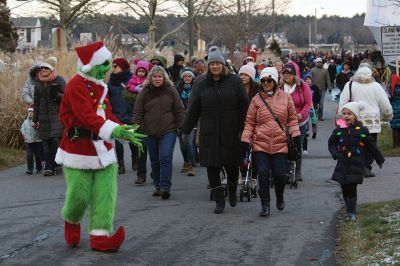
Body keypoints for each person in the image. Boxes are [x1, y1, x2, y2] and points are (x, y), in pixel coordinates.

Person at [55, 42, 145, 252]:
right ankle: (72, 219)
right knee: (79, 195)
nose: (107, 69)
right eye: (104, 65)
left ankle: (100, 236)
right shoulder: (76, 85)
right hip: (79, 149)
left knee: (106, 194)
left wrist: (125, 130)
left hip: (103, 149)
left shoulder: (101, 87)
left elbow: (108, 114)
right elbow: (85, 116)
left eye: (109, 64)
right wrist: (113, 131)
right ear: (91, 65)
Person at [182, 46, 249, 214]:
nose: (215, 67)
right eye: (212, 64)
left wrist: (244, 128)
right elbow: (194, 109)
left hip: (232, 131)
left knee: (232, 166)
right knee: (212, 167)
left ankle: (232, 190)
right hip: (209, 132)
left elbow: (244, 106)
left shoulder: (235, 81)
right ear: (208, 66)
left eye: (218, 63)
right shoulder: (202, 83)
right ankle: (219, 200)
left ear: (223, 65)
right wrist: (186, 129)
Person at [241, 67, 300, 216]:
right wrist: (245, 139)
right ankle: (265, 204)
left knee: (280, 175)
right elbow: (249, 122)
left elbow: (292, 119)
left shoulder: (286, 98)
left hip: (280, 143)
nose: (266, 83)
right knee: (262, 173)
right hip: (260, 144)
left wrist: (296, 135)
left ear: (275, 81)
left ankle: (279, 196)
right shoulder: (256, 99)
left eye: (269, 80)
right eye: (263, 80)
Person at [132, 66, 185, 200]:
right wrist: (135, 127)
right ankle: (158, 186)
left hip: (169, 129)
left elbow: (179, 110)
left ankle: (165, 186)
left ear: (164, 78)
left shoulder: (171, 91)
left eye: (159, 76)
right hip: (149, 131)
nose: (157, 79)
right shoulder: (144, 92)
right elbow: (138, 111)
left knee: (165, 157)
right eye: (155, 76)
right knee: (155, 160)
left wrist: (183, 126)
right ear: (151, 78)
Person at [329, 102, 385, 220]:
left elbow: (371, 145)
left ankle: (351, 212)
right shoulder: (339, 130)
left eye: (349, 113)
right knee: (344, 187)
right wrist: (335, 153)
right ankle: (348, 207)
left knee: (352, 187)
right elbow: (331, 142)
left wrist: (379, 159)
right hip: (342, 163)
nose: (346, 116)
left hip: (356, 164)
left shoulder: (362, 130)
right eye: (344, 113)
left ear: (355, 115)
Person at [339, 66, 393, 177]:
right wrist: (387, 116)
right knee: (370, 145)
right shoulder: (376, 86)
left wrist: (342, 116)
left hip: (355, 121)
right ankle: (366, 167)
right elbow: (385, 104)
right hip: (372, 123)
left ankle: (358, 167)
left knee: (355, 144)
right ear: (370, 74)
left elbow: (343, 102)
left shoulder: (350, 84)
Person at [32, 56, 66, 176]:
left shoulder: (59, 80)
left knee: (55, 140)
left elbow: (67, 98)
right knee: (45, 143)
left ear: (51, 69)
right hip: (43, 117)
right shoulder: (38, 83)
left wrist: (57, 95)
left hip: (56, 116)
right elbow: (36, 102)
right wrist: (34, 119)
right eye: (41, 68)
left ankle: (57, 164)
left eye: (46, 68)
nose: (43, 70)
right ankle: (49, 168)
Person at [280, 63, 312, 181]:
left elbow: (308, 103)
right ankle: (287, 170)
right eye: (284, 73)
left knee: (297, 146)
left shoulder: (302, 86)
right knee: (284, 146)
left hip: (300, 122)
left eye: (289, 73)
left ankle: (297, 171)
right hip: (284, 122)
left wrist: (301, 114)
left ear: (294, 75)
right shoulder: (280, 88)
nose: (286, 75)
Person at [176, 67, 197, 176]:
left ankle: (191, 165)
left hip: (193, 120)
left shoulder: (196, 89)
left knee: (190, 143)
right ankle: (186, 161)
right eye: (185, 76)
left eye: (189, 76)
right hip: (180, 120)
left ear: (192, 78)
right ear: (182, 78)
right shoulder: (177, 90)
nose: (187, 78)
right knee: (183, 145)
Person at [20, 105, 43, 175]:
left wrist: (37, 126)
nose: (30, 113)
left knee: (38, 155)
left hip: (37, 140)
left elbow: (40, 129)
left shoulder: (37, 121)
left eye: (32, 112)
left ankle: (39, 168)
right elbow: (22, 129)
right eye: (29, 112)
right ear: (27, 113)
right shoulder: (25, 122)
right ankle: (30, 169)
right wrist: (23, 134)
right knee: (29, 155)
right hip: (28, 141)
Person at [390, 72, 400, 147]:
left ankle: (395, 144)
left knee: (394, 128)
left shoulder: (392, 89)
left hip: (394, 110)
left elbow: (389, 98)